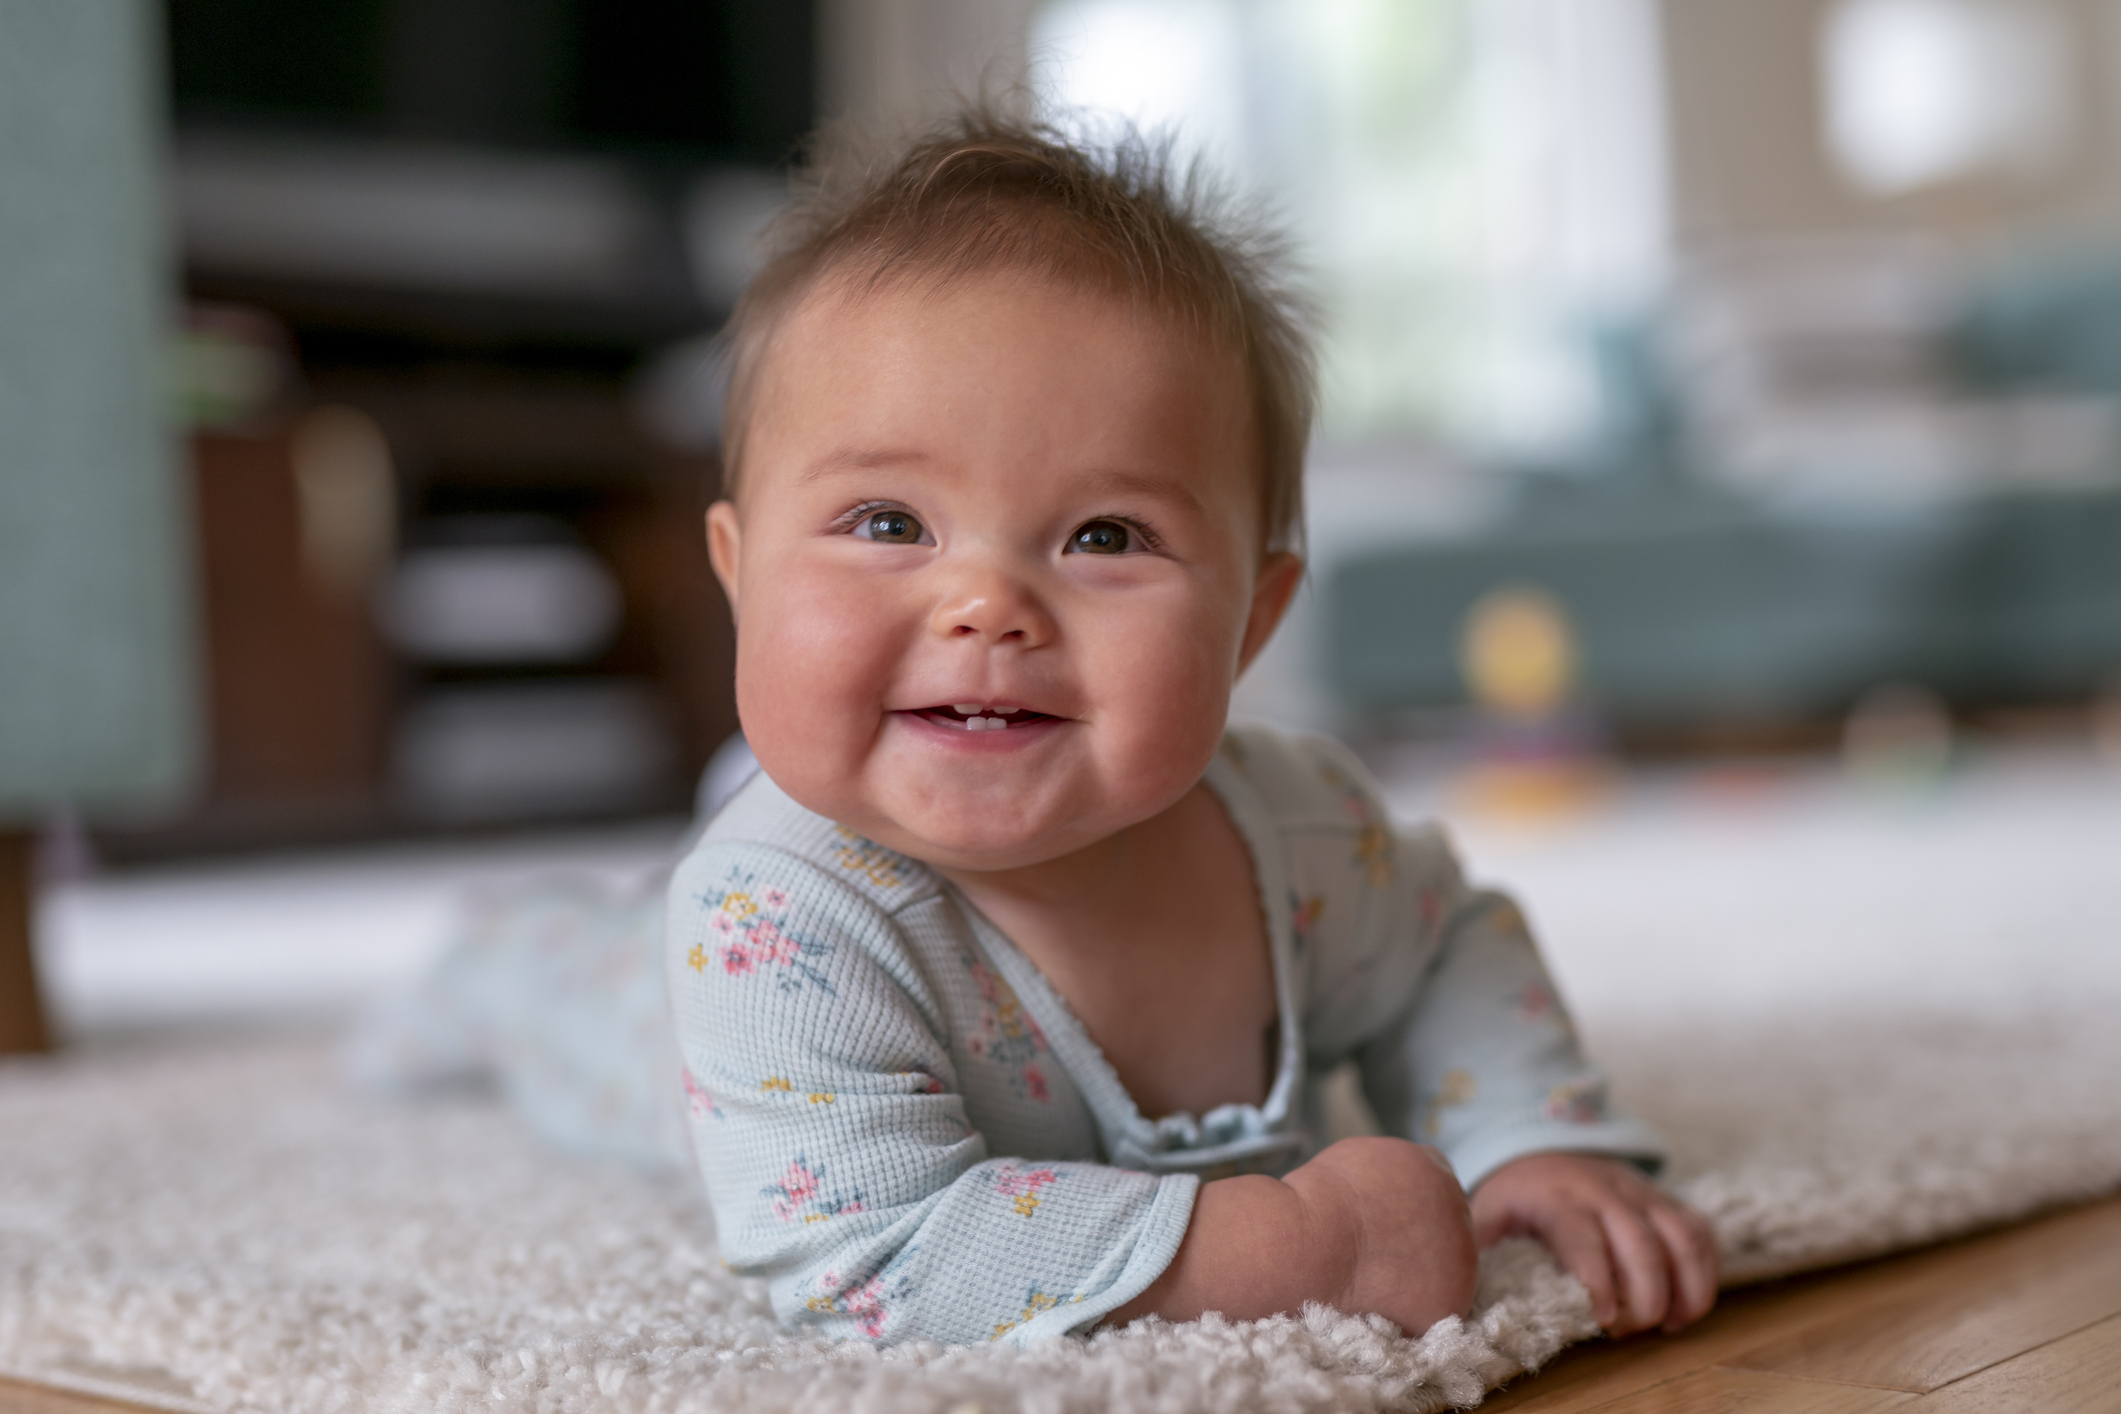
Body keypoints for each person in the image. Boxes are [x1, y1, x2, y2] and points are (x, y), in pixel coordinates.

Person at [667, 107, 1719, 1348]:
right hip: (673, 1026)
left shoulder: (1300, 833)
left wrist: (1525, 1136)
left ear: (1252, 620)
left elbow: (1443, 953)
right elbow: (877, 1260)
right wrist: (1304, 1245)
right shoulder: (768, 923)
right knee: (550, 996)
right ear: (740, 575)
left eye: (1104, 536)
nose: (986, 606)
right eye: (889, 522)